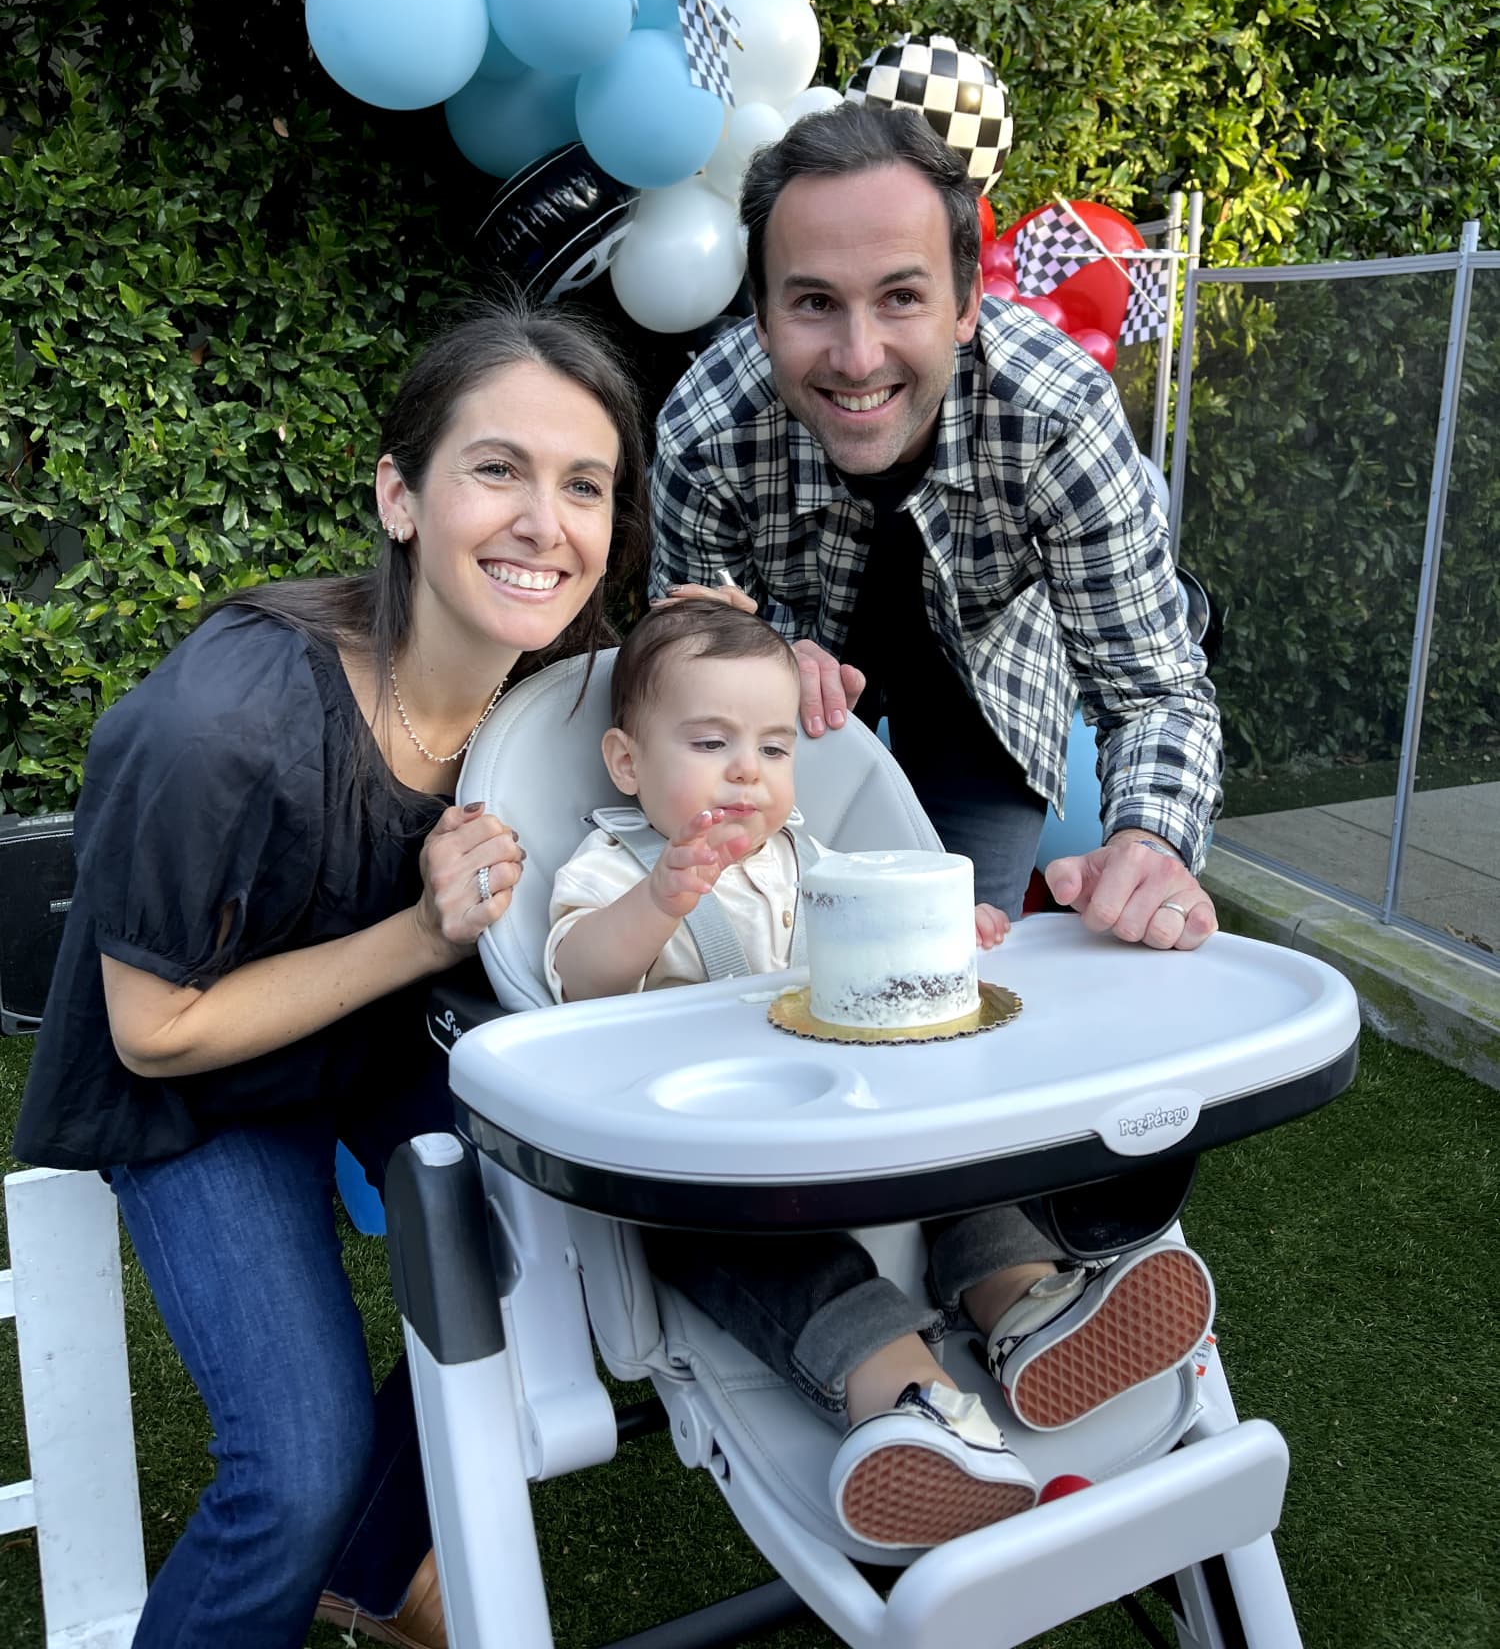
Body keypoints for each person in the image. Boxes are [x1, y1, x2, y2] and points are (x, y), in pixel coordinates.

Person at [12, 300, 648, 1649]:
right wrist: (421, 935)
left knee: (573, 1236)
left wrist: (768, 675)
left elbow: (716, 724)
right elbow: (153, 1034)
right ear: (401, 497)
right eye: (498, 469)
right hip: (201, 1092)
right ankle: (324, 1545)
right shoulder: (218, 728)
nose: (545, 522)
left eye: (582, 485)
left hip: (385, 1043)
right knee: (291, 1474)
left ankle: (371, 1564)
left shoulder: (563, 693)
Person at [546, 600, 1215, 1552]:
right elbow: (576, 975)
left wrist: (949, 937)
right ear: (627, 763)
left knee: (966, 1185)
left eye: (775, 750)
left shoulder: (807, 861)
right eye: (710, 742)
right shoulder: (614, 864)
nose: (747, 770)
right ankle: (919, 1408)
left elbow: (872, 965)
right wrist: (657, 903)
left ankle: (1034, 1314)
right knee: (791, 1268)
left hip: (860, 1135)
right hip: (723, 1179)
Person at [649, 101, 1223, 948]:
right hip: (790, 695)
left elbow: (1154, 690)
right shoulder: (703, 433)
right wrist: (752, 661)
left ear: (966, 306)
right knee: (768, 939)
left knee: (955, 954)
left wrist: (1148, 842)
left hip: (989, 683)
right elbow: (675, 670)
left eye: (901, 297)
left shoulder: (1059, 413)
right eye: (813, 301)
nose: (858, 356)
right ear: (761, 316)